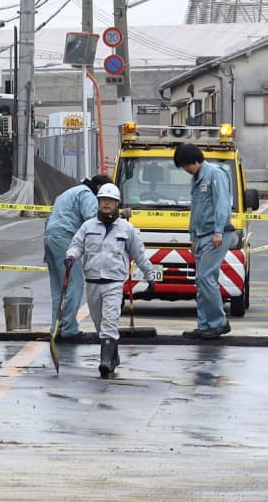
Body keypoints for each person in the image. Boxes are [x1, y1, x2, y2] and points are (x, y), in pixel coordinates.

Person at [64, 183, 156, 379]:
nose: (106, 204)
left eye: (110, 201)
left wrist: (150, 276)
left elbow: (139, 255)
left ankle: (104, 362)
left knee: (109, 322)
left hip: (114, 283)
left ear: (117, 204)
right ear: (98, 202)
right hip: (93, 282)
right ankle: (112, 356)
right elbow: (76, 245)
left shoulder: (127, 229)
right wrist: (71, 256)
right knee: (99, 324)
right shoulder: (87, 226)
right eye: (103, 200)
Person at [173, 143, 234, 340]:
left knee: (205, 277)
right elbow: (196, 209)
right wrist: (193, 237)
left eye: (186, 165)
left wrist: (218, 232)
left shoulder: (215, 174)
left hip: (217, 234)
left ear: (196, 160)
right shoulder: (196, 178)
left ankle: (219, 322)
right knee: (202, 280)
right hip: (202, 235)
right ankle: (205, 324)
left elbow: (222, 204)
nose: (185, 170)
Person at [44, 174, 112, 339]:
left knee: (59, 289)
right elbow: (93, 217)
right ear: (99, 189)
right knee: (75, 283)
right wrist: (115, 217)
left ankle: (57, 328)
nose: (105, 201)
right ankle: (69, 329)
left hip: (50, 238)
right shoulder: (86, 194)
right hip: (64, 239)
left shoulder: (71, 192)